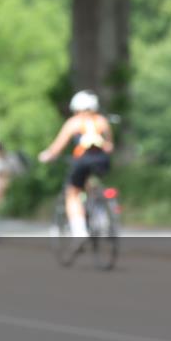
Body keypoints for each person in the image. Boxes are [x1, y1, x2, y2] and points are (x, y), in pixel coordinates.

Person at [38, 89, 113, 239]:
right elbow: (110, 146)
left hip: (83, 161)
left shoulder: (74, 123)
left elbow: (56, 148)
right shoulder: (102, 121)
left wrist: (46, 156)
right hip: (102, 160)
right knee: (92, 184)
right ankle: (102, 217)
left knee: (72, 193)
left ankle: (79, 231)